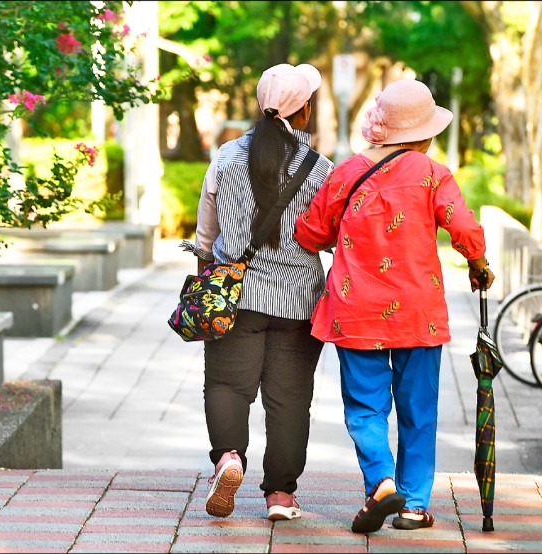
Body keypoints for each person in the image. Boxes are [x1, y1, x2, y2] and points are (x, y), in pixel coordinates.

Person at [293, 79, 496, 533]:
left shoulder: (346, 172)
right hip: (417, 311)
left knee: (365, 407)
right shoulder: (433, 173)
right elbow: (462, 226)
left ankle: (381, 482)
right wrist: (479, 263)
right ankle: (415, 505)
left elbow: (310, 232)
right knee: (418, 410)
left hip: (355, 307)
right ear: (423, 132)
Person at [183, 63, 334, 521]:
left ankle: (229, 459)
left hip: (237, 294)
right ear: (304, 112)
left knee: (228, 385)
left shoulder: (225, 159)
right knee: (288, 400)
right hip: (298, 301)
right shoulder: (320, 170)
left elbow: (205, 239)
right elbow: (327, 237)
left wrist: (210, 286)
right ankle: (281, 497)